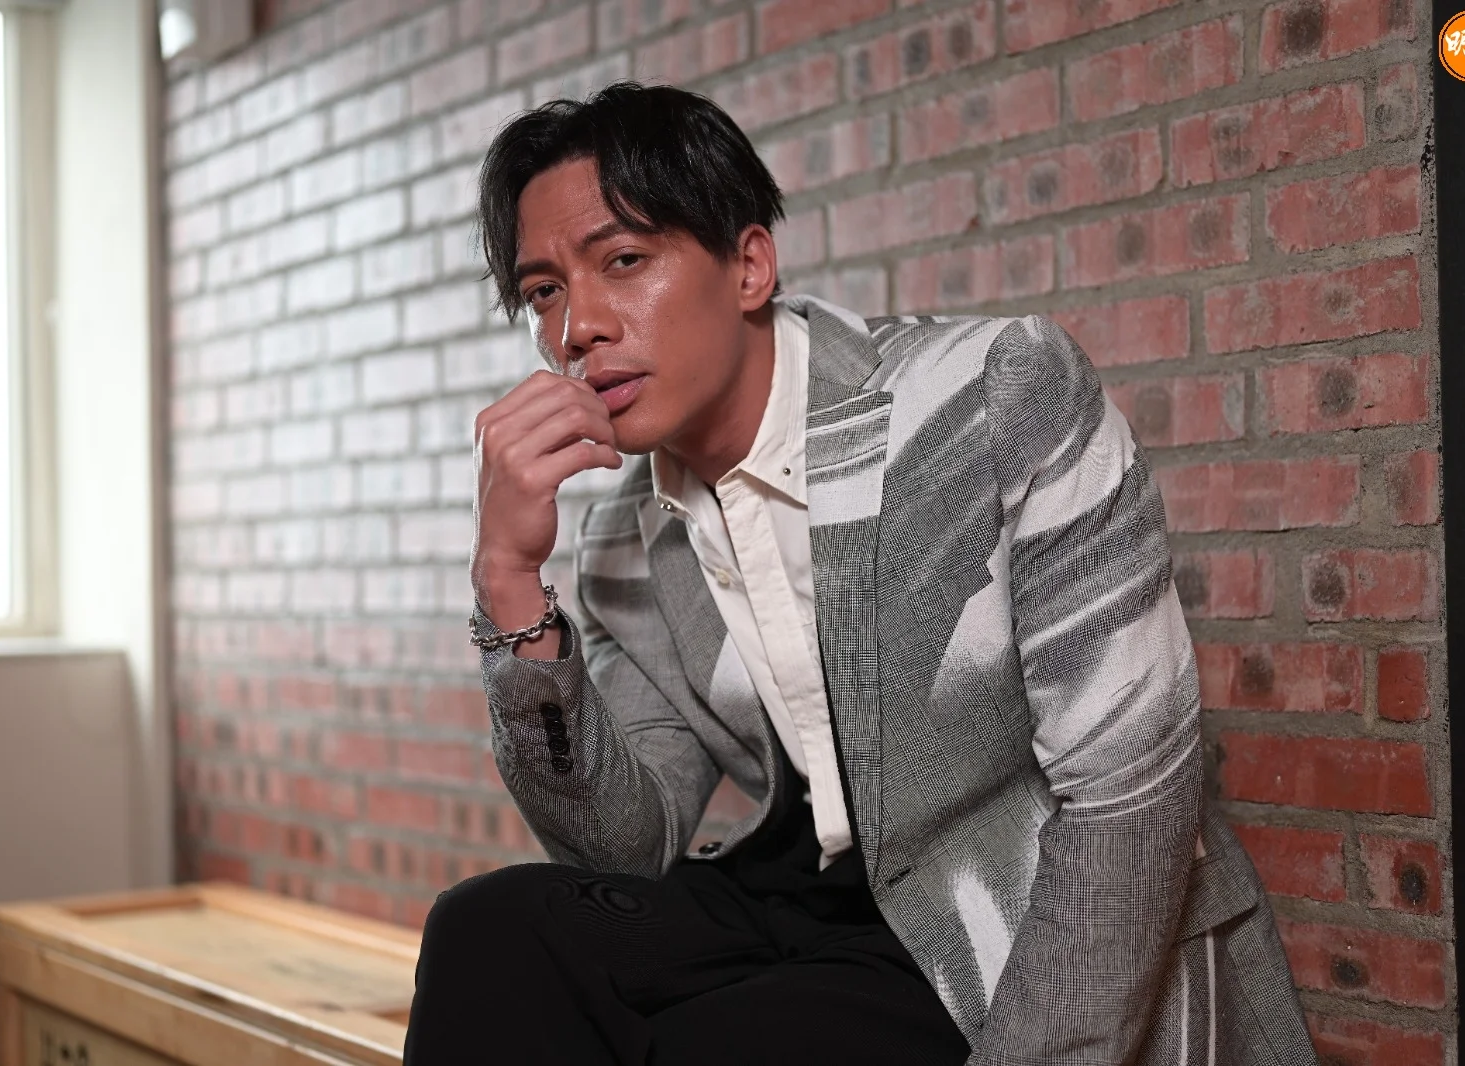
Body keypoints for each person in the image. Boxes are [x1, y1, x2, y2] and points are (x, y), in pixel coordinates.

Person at [402, 81, 1317, 1066]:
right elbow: (619, 847)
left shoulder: (994, 393)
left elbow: (1129, 797)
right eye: (543, 291)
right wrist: (507, 580)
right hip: (803, 896)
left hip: (1001, 906)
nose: (576, 326)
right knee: (486, 931)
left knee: (721, 1046)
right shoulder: (626, 538)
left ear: (749, 266)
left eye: (623, 260)